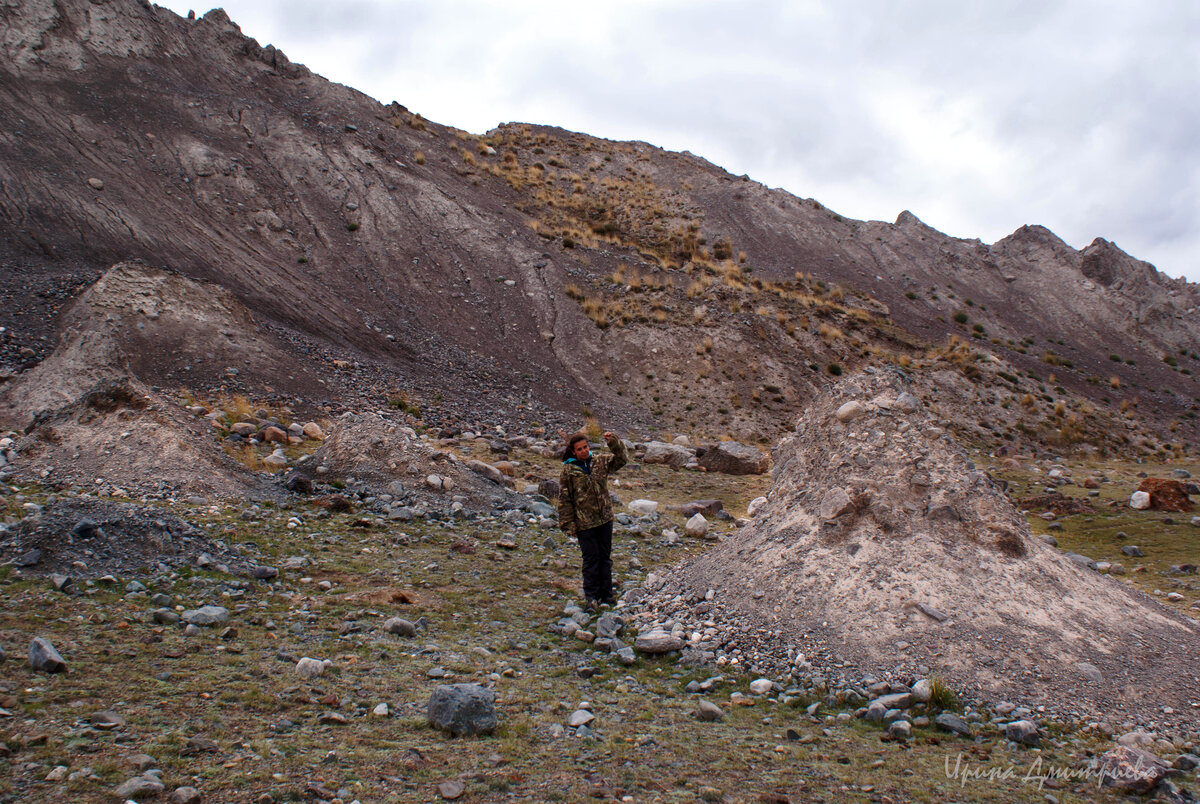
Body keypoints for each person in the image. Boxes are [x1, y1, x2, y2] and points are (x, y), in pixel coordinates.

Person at [558, 430, 628, 608]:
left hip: (605, 519)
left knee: (605, 557)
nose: (583, 451)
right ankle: (591, 596)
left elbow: (621, 459)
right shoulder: (568, 471)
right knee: (590, 559)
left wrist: (613, 442)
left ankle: (607, 595)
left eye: (585, 447)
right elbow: (565, 499)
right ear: (573, 451)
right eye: (579, 449)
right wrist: (568, 524)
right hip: (584, 523)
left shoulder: (600, 462)